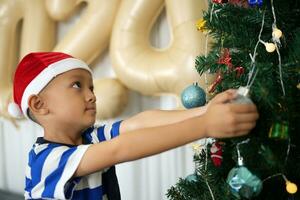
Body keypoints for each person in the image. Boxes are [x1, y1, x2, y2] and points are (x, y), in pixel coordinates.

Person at [8, 52, 259, 200]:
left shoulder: (89, 137)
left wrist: (204, 110)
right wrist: (205, 125)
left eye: (92, 87)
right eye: (77, 86)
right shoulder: (47, 160)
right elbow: (120, 149)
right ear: (39, 104)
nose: (92, 95)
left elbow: (138, 124)